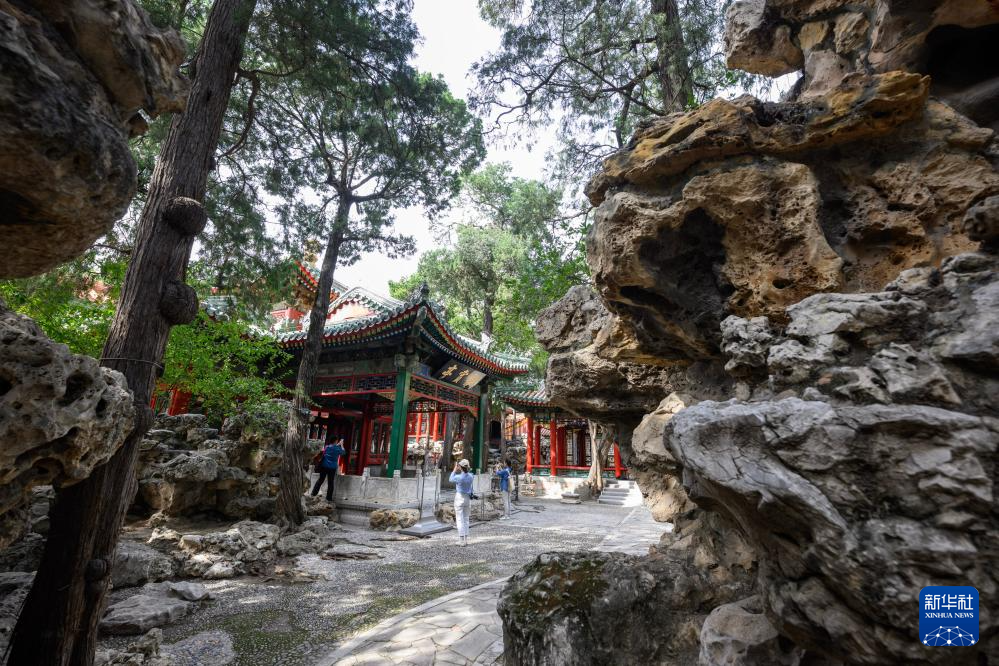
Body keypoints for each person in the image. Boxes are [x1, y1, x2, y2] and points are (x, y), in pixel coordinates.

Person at [450, 459, 474, 546]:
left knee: (459, 519)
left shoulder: (458, 477)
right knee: (466, 519)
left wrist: (454, 470)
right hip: (467, 498)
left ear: (460, 467)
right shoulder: (471, 476)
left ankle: (461, 540)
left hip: (459, 497)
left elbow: (450, 479)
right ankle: (466, 539)